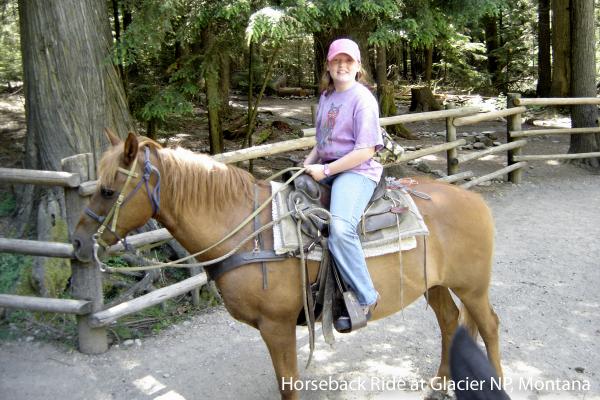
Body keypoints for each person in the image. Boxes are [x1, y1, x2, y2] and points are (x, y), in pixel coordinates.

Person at [303, 38, 383, 330]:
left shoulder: (363, 100)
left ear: (358, 66)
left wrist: (325, 170)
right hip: (327, 166)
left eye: (348, 61)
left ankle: (366, 295)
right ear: (328, 65)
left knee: (339, 228)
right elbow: (321, 140)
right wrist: (307, 161)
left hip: (357, 170)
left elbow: (366, 150)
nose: (342, 66)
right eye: (337, 60)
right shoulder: (326, 97)